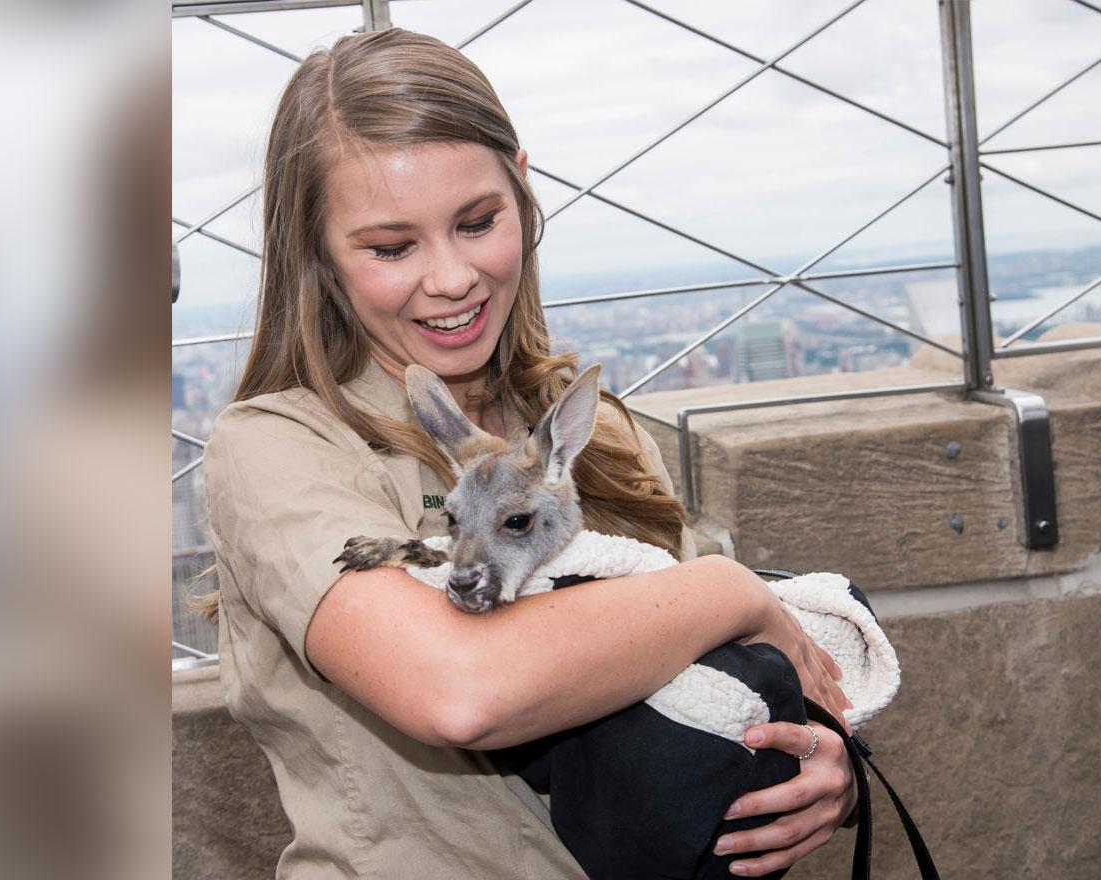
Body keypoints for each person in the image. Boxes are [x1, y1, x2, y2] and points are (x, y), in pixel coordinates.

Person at [200, 27, 858, 879]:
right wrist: (729, 591)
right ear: (319, 255)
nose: (450, 277)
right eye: (391, 247)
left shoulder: (595, 433)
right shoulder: (278, 449)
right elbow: (460, 691)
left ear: (522, 186)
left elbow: (719, 685)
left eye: (478, 222)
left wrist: (813, 760)